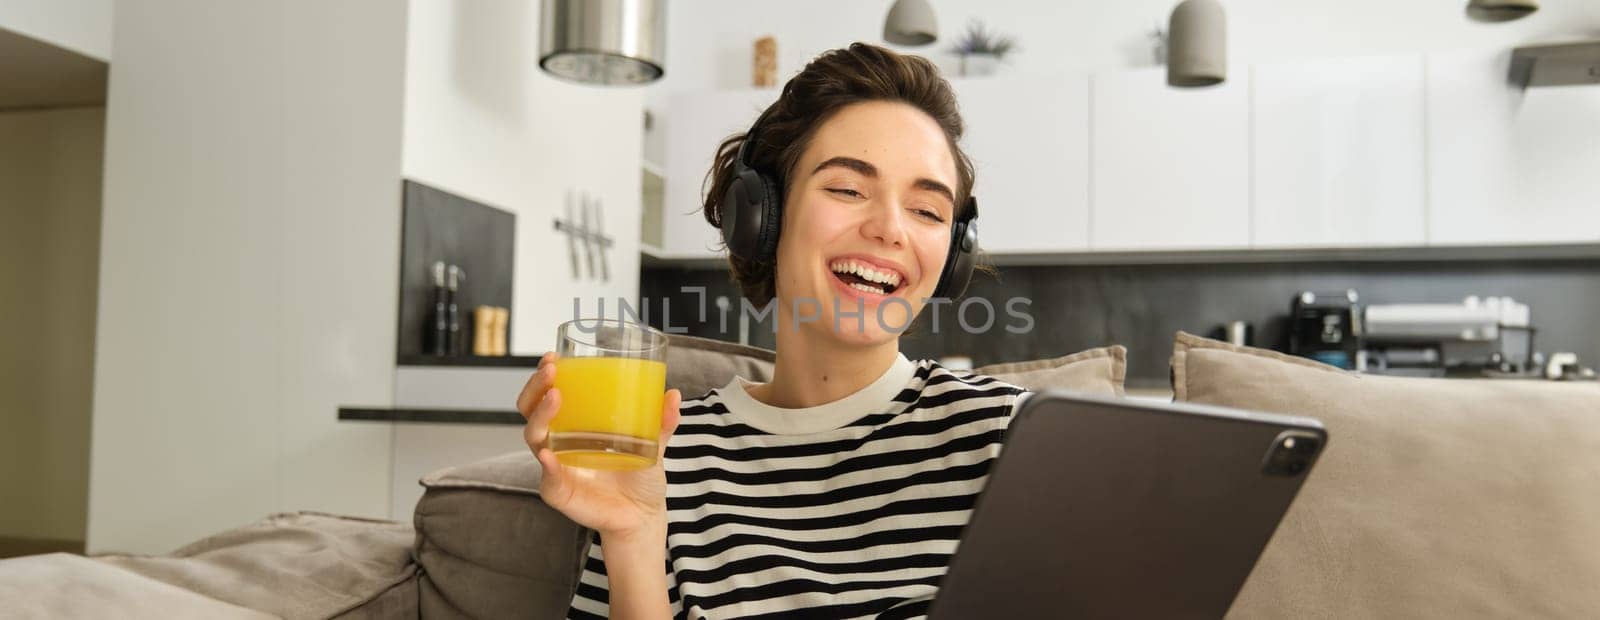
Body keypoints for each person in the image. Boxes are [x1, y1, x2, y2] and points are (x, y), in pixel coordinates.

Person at [517, 42, 1030, 619]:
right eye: (847, 189)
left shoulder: (1014, 438)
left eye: (928, 212)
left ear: (953, 255)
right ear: (761, 216)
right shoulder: (660, 452)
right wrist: (634, 539)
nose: (890, 229)